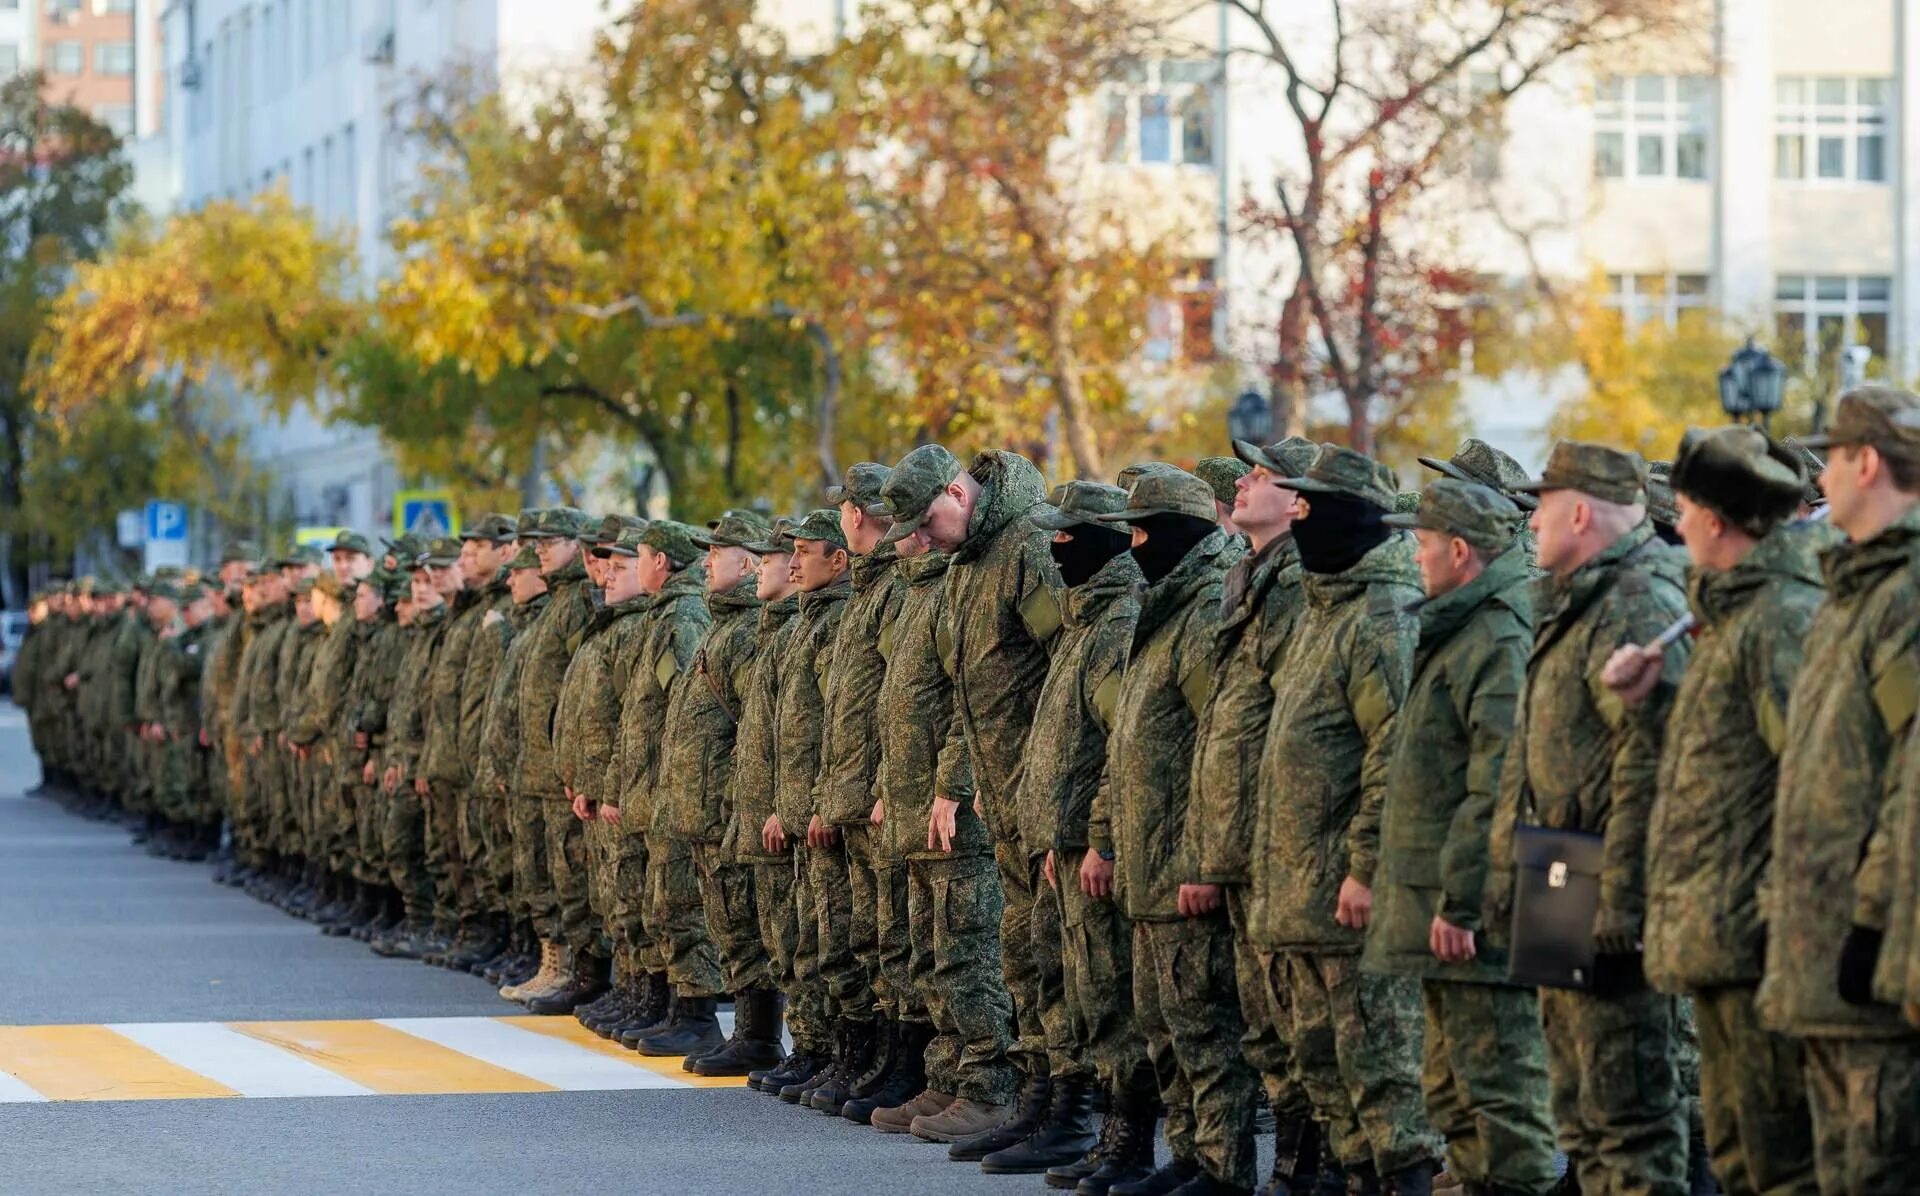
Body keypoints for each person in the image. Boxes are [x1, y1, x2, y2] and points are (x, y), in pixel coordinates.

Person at [1600, 427, 1821, 1196]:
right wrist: (1651, 700)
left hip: (1760, 938)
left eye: (1686, 508)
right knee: (1738, 1158)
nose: (1674, 523)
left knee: (1783, 1165)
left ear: (1720, 522)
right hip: (1717, 935)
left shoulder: (1779, 619)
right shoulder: (1727, 616)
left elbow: (1811, 780)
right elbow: (1717, 767)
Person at [1487, 441, 1692, 1194]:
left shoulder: (1635, 597)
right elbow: (1536, 746)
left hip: (1601, 873)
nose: (1530, 520)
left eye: (1541, 504)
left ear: (1579, 511)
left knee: (1627, 1109)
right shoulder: (1576, 596)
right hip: (1556, 863)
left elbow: (1650, 761)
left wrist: (1623, 896)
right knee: (1576, 1104)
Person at [1248, 446, 1440, 1195]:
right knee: (1329, 1083)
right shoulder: (1323, 614)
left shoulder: (1382, 619)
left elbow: (1395, 759)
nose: (1299, 518)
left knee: (1385, 1083)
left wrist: (1365, 866)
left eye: (1310, 507)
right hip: (1301, 896)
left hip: (1348, 896)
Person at [1368, 479, 1558, 1196]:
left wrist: (1464, 902)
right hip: (1443, 904)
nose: (1414, 559)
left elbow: (1500, 780)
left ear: (1458, 550)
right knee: (1455, 1092)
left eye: (1421, 545)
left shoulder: (1500, 632)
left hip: (1481, 914)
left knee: (1503, 1100)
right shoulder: (1464, 624)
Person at [874, 443, 1064, 1157]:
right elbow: (962, 688)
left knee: (1010, 950)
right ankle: (968, 1078)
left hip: (1033, 788)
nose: (919, 542)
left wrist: (979, 781)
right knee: (997, 951)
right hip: (994, 786)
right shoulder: (968, 563)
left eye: (925, 523)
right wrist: (959, 775)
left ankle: (1005, 1092)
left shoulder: (1028, 546)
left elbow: (1060, 668)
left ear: (958, 494)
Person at [1760, 388, 1920, 1193]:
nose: (1819, 481)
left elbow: (1909, 781)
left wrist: (1873, 922)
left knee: (1874, 1171)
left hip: (1874, 960)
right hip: (1820, 950)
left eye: (1834, 459)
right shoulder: (1851, 587)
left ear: (1867, 462)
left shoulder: (1906, 591)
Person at [993, 480, 1143, 1186]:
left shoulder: (1116, 624)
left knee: (1108, 995)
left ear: (1108, 539)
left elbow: (1119, 743)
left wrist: (1099, 837)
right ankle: (1059, 1108)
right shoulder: (1084, 622)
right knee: (1065, 982)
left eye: (1067, 537)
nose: (1055, 551)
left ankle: (1109, 1129)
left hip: (1094, 846)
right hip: (1062, 842)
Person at [1192, 436, 1325, 1194]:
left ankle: (1315, 1168)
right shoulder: (1250, 577)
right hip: (1243, 836)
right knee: (1266, 1019)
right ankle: (1293, 1166)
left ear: (1300, 500)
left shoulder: (1303, 582)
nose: (1244, 482)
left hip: (1288, 840)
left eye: (1263, 474)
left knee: (1303, 1023)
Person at [655, 510, 786, 1075]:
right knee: (727, 919)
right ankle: (747, 1033)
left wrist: (738, 801)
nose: (707, 560)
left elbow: (757, 727)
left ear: (751, 562)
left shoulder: (748, 633)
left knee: (749, 919)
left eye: (719, 551)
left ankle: (757, 1034)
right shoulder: (720, 627)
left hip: (730, 805)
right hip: (705, 808)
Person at [810, 463, 909, 1117]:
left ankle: (902, 1065)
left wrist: (880, 787)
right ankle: (868, 1058)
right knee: (867, 939)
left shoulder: (893, 590)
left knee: (897, 938)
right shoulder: (871, 593)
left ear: (856, 516)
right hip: (850, 794)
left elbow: (899, 705)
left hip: (879, 798)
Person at [503, 506, 603, 1006]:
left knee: (570, 869)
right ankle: (553, 962)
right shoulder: (559, 600)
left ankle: (579, 972)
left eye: (550, 541)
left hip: (559, 766)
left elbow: (582, 687)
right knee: (545, 870)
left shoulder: (581, 598)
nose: (540, 548)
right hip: (541, 763)